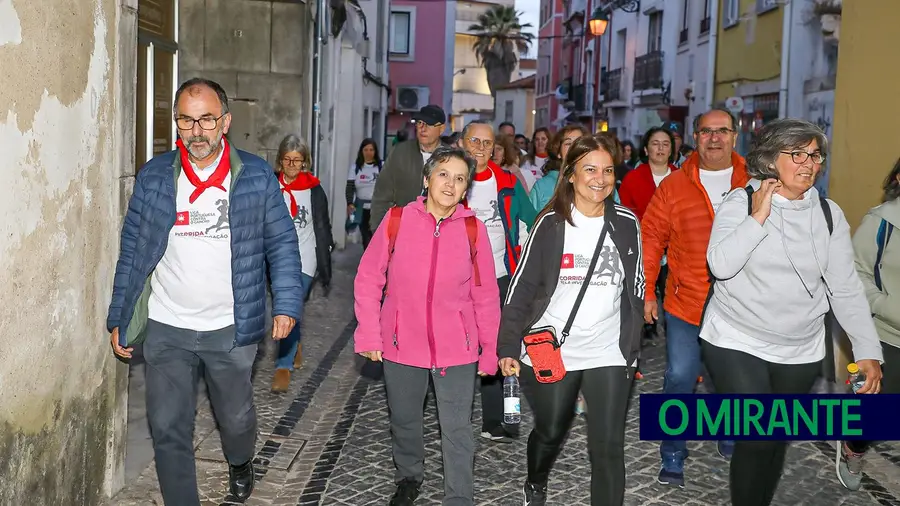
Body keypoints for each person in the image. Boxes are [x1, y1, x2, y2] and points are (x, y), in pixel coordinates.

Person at [106, 78, 304, 504]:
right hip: (166, 325)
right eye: (186, 120)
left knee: (235, 419)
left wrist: (286, 302)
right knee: (167, 426)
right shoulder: (156, 176)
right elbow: (132, 252)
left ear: (226, 121)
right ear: (176, 123)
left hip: (229, 328)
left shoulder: (253, 177)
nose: (196, 131)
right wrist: (120, 316)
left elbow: (282, 243)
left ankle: (239, 459)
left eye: (206, 120)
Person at [701, 118, 884, 505]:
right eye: (797, 154)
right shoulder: (741, 200)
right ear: (770, 159)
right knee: (757, 436)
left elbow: (845, 288)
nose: (809, 163)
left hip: (799, 349)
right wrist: (759, 217)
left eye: (815, 155)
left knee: (776, 439)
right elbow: (719, 265)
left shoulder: (829, 213)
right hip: (736, 338)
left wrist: (867, 350)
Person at [497, 134, 644, 506]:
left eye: (608, 170)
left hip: (608, 349)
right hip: (553, 348)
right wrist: (507, 344)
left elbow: (636, 286)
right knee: (551, 428)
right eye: (590, 169)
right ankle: (536, 477)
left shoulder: (626, 223)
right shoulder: (552, 223)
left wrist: (632, 344)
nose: (600, 178)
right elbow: (523, 285)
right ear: (571, 175)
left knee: (608, 444)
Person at [354, 146, 501, 506]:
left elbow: (486, 294)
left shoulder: (473, 230)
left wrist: (489, 350)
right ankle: (408, 477)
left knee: (457, 428)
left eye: (460, 178)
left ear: (467, 189)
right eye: (443, 174)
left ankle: (459, 497)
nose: (451, 184)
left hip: (458, 346)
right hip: (402, 343)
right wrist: (370, 333)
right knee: (404, 421)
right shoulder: (397, 220)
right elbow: (368, 279)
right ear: (427, 178)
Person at [642, 108, 748, 487]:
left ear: (735, 136)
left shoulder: (754, 181)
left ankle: (730, 433)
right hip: (687, 301)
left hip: (741, 307)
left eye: (722, 131)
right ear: (695, 137)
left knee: (730, 378)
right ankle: (672, 450)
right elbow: (651, 238)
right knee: (681, 375)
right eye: (707, 132)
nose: (715, 138)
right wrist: (648, 291)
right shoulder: (674, 184)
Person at [458, 120, 537, 444]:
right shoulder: (449, 179)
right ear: (463, 143)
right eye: (474, 141)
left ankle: (494, 420)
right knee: (461, 348)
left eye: (487, 143)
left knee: (500, 345)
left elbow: (533, 220)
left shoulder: (506, 181)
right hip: (458, 280)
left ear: (495, 148)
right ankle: (456, 416)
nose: (480, 148)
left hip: (500, 277)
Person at [837, 158, 900, 490]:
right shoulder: (881, 222)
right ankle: (853, 446)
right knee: (875, 411)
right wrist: (886, 306)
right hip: (886, 333)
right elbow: (855, 275)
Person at [272, 134, 333, 392]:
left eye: (297, 160)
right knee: (285, 308)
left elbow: (322, 225)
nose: (292, 165)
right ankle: (289, 355)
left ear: (305, 162)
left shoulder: (314, 189)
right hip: (277, 259)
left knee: (292, 307)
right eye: (287, 160)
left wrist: (325, 259)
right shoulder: (271, 186)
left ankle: (286, 357)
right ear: (280, 161)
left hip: (305, 258)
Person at [371, 104, 447, 228]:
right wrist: (380, 234)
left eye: (429, 124)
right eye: (419, 123)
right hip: (403, 231)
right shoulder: (400, 153)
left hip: (439, 234)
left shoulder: (451, 158)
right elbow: (381, 196)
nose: (423, 128)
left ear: (442, 128)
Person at [529, 124, 586, 211]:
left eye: (579, 142)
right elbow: (531, 221)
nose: (574, 147)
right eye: (568, 143)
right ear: (558, 152)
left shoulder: (600, 180)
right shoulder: (542, 186)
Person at [346, 138, 383, 249]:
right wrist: (349, 203)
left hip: (377, 208)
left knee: (377, 237)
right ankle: (369, 263)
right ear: (361, 151)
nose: (368, 152)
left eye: (371, 150)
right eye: (366, 149)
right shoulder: (355, 168)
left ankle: (378, 263)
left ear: (375, 151)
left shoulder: (382, 166)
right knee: (366, 237)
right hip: (361, 208)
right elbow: (350, 187)